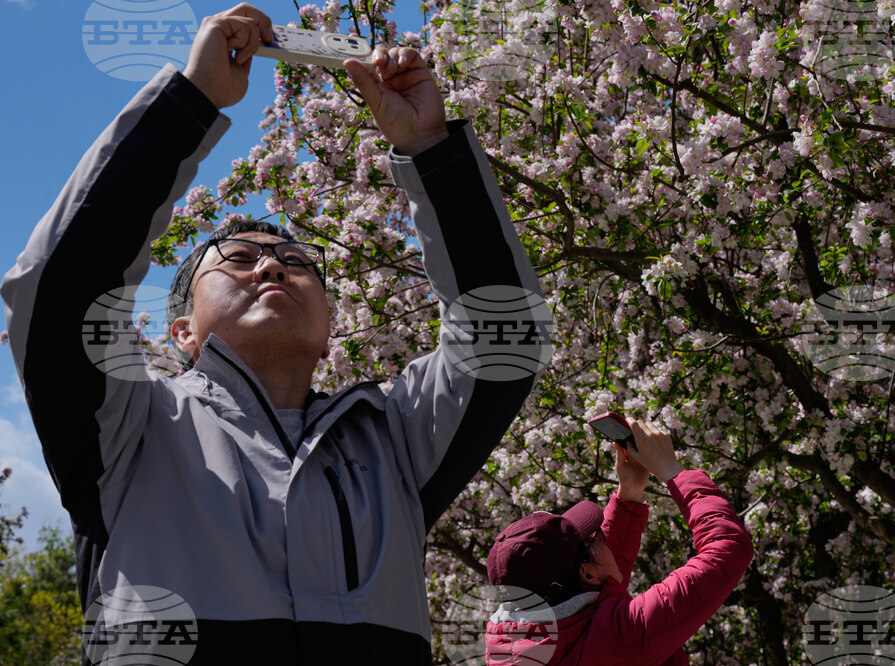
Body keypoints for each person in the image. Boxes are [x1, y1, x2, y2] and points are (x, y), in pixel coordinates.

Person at [1, 4, 548, 664]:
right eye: (236, 259)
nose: (270, 264)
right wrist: (192, 100)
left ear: (329, 334)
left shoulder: (396, 441)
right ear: (182, 330)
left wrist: (432, 149)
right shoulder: (131, 431)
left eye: (297, 263)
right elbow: (58, 287)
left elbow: (503, 337)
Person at [485, 419, 753, 665]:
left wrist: (630, 494)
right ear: (587, 572)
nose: (599, 535)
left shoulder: (511, 644)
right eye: (593, 538)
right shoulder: (623, 637)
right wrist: (673, 472)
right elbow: (728, 548)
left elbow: (599, 586)